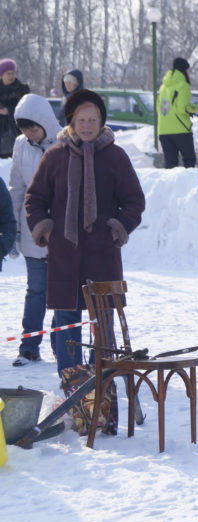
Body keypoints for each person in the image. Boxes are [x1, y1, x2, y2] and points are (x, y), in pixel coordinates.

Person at [25, 89, 146, 375]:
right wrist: (46, 229)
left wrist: (118, 227)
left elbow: (134, 200)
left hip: (103, 255)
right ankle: (72, 389)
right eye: (82, 120)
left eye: (93, 119)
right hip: (64, 256)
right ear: (71, 122)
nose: (88, 125)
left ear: (102, 121)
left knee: (103, 322)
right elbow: (35, 199)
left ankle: (103, 389)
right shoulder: (55, 157)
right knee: (67, 322)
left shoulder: (115, 156)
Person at [9, 93, 63, 366]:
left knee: (62, 292)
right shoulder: (21, 146)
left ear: (44, 121)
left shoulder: (64, 142)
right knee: (36, 290)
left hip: (61, 233)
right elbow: (17, 188)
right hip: (32, 230)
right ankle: (29, 346)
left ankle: (61, 344)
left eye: (32, 127)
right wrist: (16, 233)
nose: (29, 133)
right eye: (24, 129)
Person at [157, 58, 198, 169]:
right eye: (188, 70)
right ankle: (188, 185)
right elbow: (183, 108)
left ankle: (170, 186)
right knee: (189, 161)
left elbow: (159, 107)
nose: (189, 73)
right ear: (183, 70)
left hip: (163, 130)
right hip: (181, 129)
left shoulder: (163, 87)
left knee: (170, 164)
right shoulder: (183, 85)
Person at [0, 58, 30, 158]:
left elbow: (25, 108)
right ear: (1, 75)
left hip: (15, 131)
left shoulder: (22, 89)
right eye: (8, 73)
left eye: (13, 73)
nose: (11, 76)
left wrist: (8, 111)